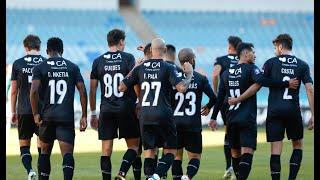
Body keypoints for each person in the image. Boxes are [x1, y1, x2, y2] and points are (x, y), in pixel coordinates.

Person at [228, 34, 314, 180]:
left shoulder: (270, 63)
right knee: (297, 145)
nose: (275, 50)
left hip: (274, 111)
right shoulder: (302, 65)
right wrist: (313, 114)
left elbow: (257, 84)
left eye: (275, 47)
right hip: (293, 110)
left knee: (275, 150)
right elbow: (310, 89)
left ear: (280, 47)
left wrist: (238, 99)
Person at [209, 42, 299, 180]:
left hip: (231, 119)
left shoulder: (226, 73)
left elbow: (220, 98)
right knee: (247, 152)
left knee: (235, 153)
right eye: (253, 52)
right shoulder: (251, 69)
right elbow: (262, 80)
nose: (255, 55)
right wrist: (286, 83)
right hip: (246, 118)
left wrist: (213, 117)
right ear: (245, 54)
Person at [119, 38, 193, 180]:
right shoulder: (168, 67)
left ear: (151, 51)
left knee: (149, 152)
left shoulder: (140, 68)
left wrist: (134, 67)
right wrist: (189, 74)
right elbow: (182, 88)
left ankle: (150, 177)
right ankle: (156, 176)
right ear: (164, 51)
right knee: (171, 151)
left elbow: (121, 87)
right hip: (163, 114)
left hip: (144, 115)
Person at [30, 37, 87, 180]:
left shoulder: (40, 67)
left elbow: (33, 91)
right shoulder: (72, 67)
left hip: (46, 117)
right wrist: (84, 115)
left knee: (44, 152)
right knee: (67, 154)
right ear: (62, 50)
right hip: (65, 117)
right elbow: (82, 90)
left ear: (47, 51)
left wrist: (36, 113)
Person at [89, 29, 140, 180]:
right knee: (134, 147)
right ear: (121, 42)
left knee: (106, 150)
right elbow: (134, 82)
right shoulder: (128, 58)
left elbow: (93, 90)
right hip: (126, 107)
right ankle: (121, 174)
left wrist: (92, 113)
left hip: (106, 108)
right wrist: (139, 101)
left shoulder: (98, 61)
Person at [171, 48, 216, 180]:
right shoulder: (201, 79)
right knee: (195, 157)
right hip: (193, 124)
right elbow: (214, 98)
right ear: (192, 60)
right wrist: (208, 107)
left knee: (176, 156)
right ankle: (188, 177)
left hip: (175, 123)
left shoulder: (174, 77)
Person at [10, 34, 46, 180]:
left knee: (24, 145)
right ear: (39, 46)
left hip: (23, 110)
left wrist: (12, 111)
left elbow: (13, 90)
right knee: (43, 147)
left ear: (25, 47)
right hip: (42, 111)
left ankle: (30, 171)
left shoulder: (17, 64)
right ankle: (42, 173)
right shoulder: (46, 62)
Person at [211, 36, 242, 179]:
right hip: (243, 101)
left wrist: (217, 92)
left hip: (226, 102)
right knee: (242, 133)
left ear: (229, 46)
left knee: (229, 131)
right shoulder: (244, 60)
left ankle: (229, 165)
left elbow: (215, 74)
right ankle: (239, 166)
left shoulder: (222, 60)